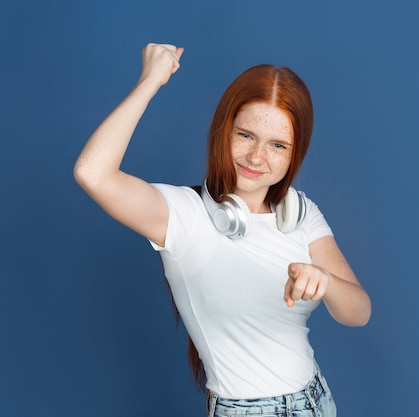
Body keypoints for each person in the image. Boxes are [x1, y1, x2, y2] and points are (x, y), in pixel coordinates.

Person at [74, 42, 371, 417]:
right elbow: (92, 173)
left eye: (277, 145)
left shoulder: (299, 214)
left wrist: (325, 281)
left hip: (316, 400)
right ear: (224, 131)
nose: (256, 157)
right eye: (246, 135)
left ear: (294, 154)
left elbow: (359, 312)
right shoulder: (183, 215)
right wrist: (150, 82)